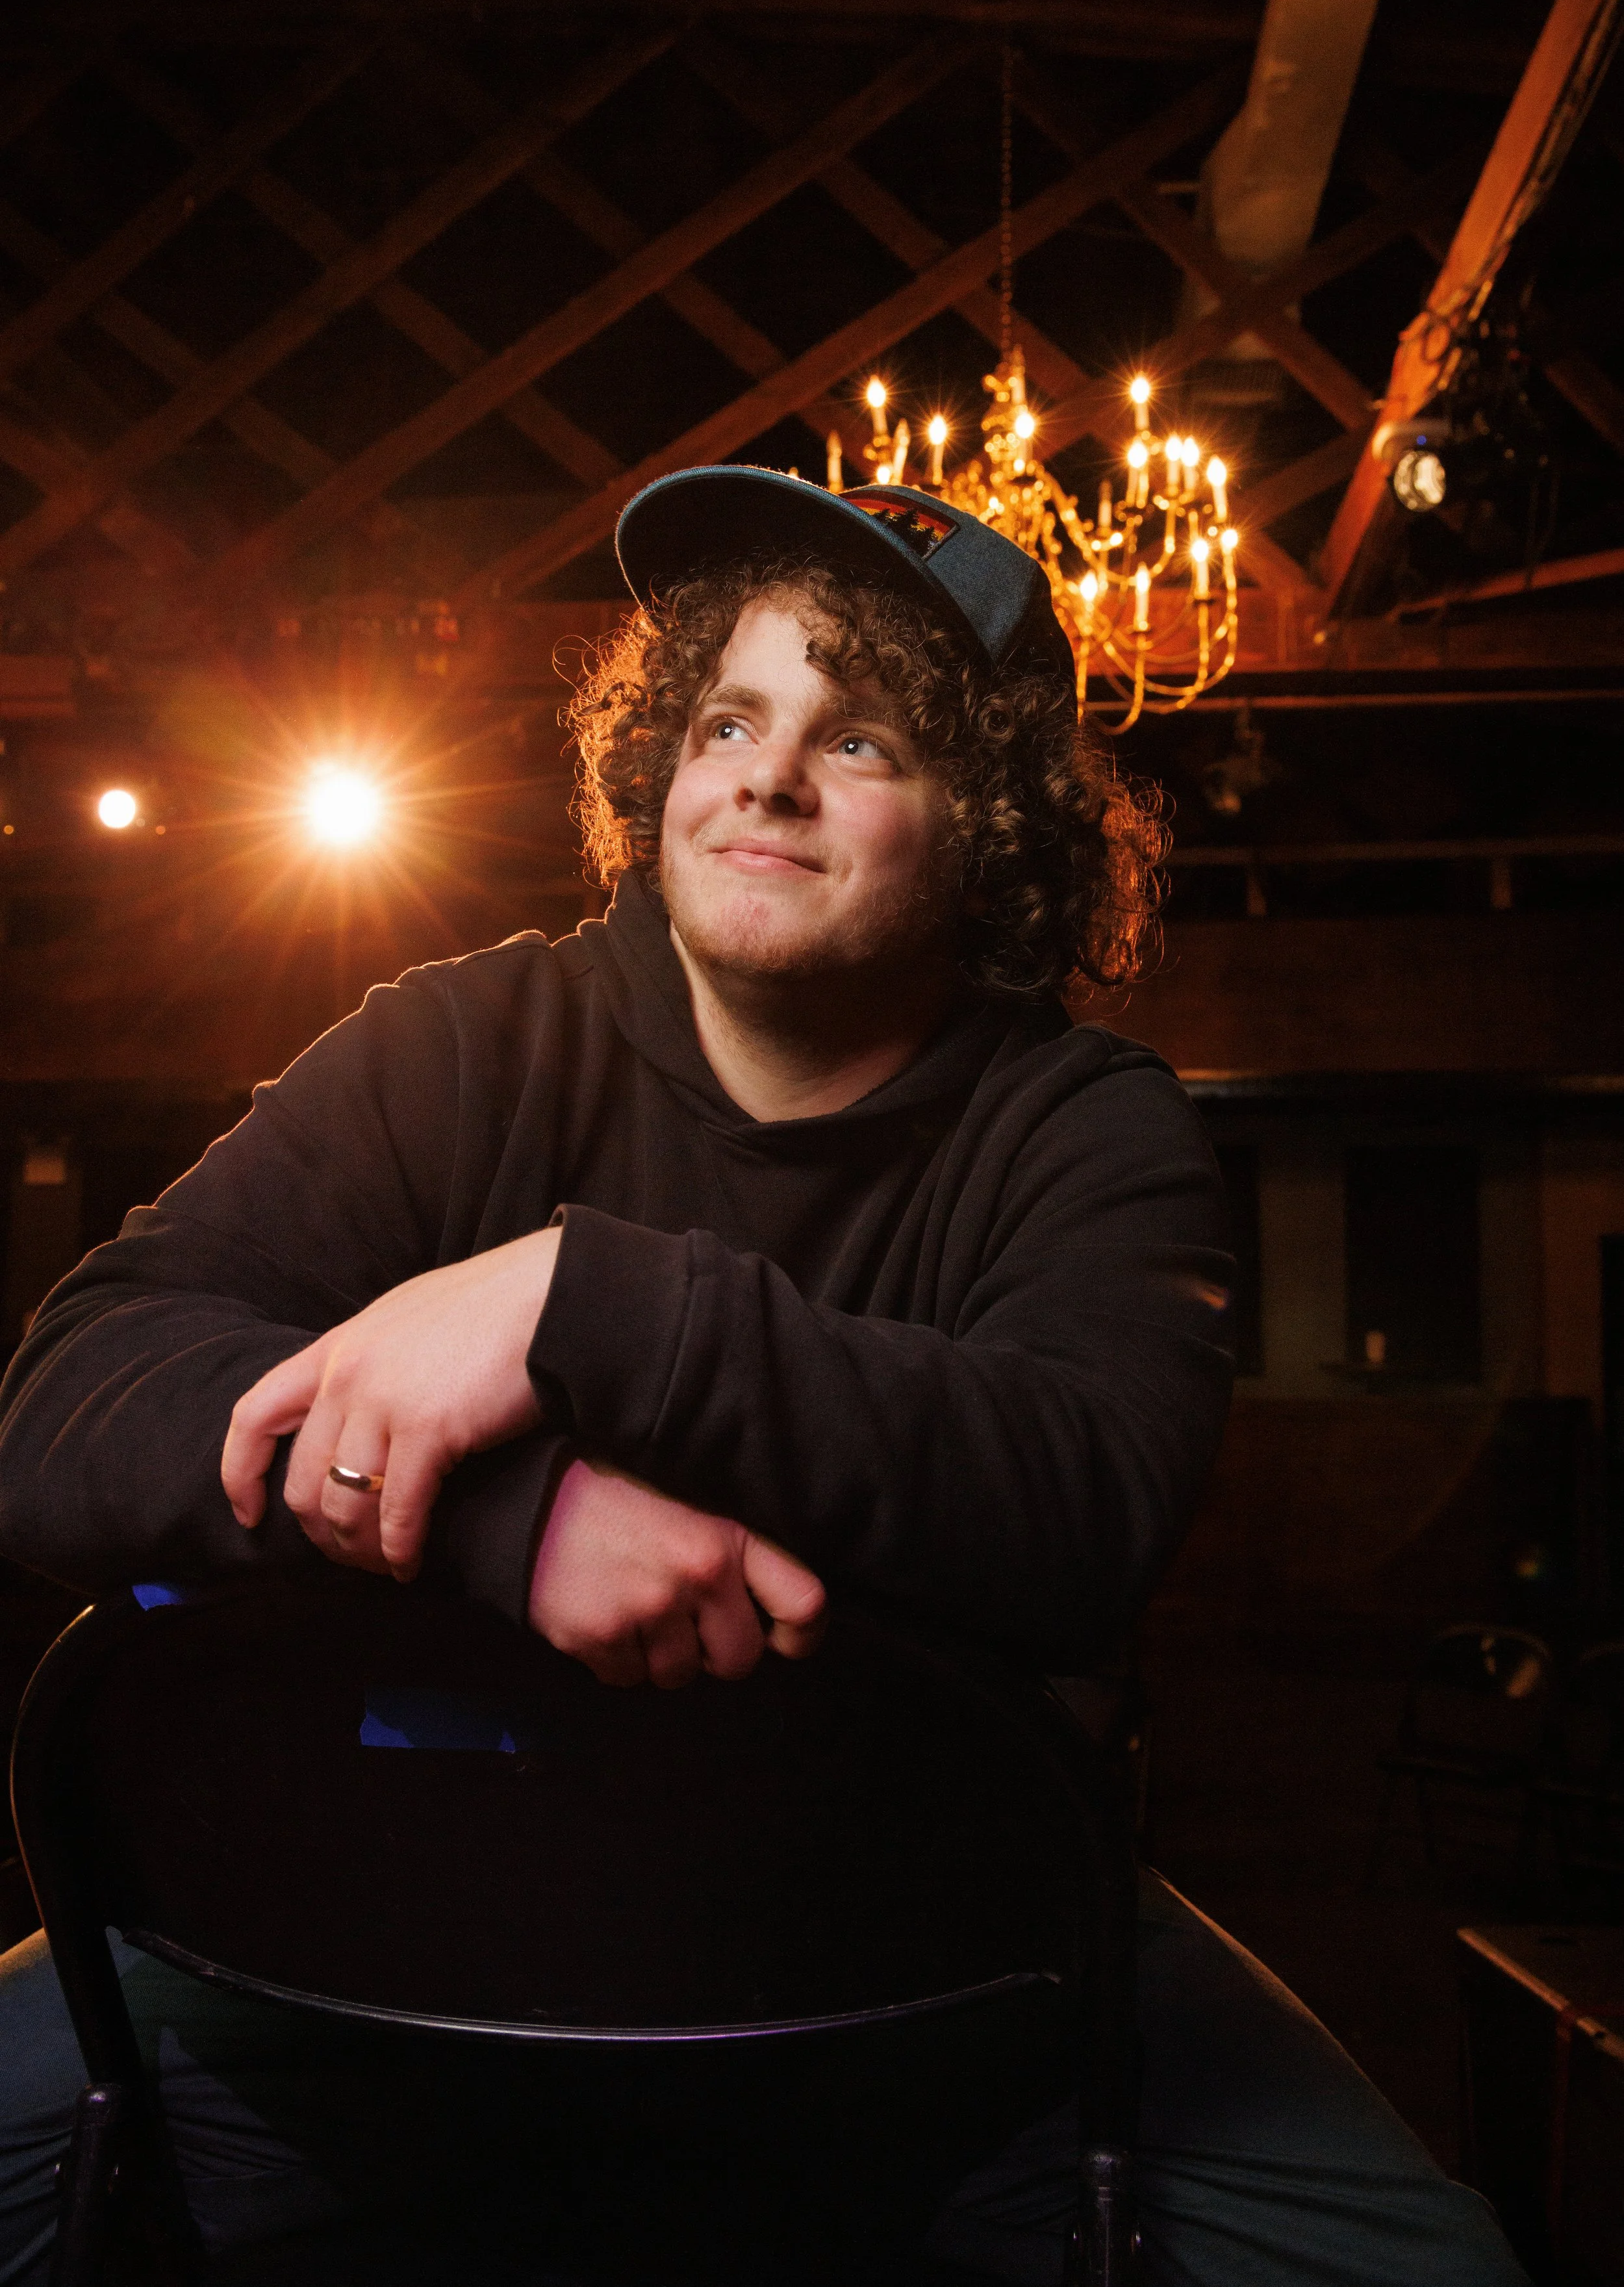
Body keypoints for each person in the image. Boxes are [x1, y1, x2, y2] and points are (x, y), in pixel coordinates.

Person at [0, 467, 1524, 2286]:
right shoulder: (457, 1039)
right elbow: (70, 1403)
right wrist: (516, 1509)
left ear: (996, 824)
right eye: (727, 715)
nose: (763, 776)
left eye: (860, 736)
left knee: (1429, 2265)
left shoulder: (1084, 1122)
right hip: (356, 1960)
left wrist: (590, 1305)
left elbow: (1083, 1498)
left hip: (932, 2000)